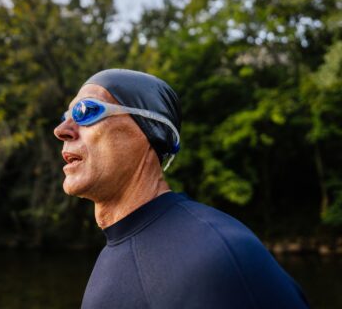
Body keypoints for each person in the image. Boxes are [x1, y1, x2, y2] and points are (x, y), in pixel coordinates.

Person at [54, 69, 309, 309]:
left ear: (147, 129)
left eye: (85, 111)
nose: (61, 130)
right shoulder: (116, 250)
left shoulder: (217, 256)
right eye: (65, 117)